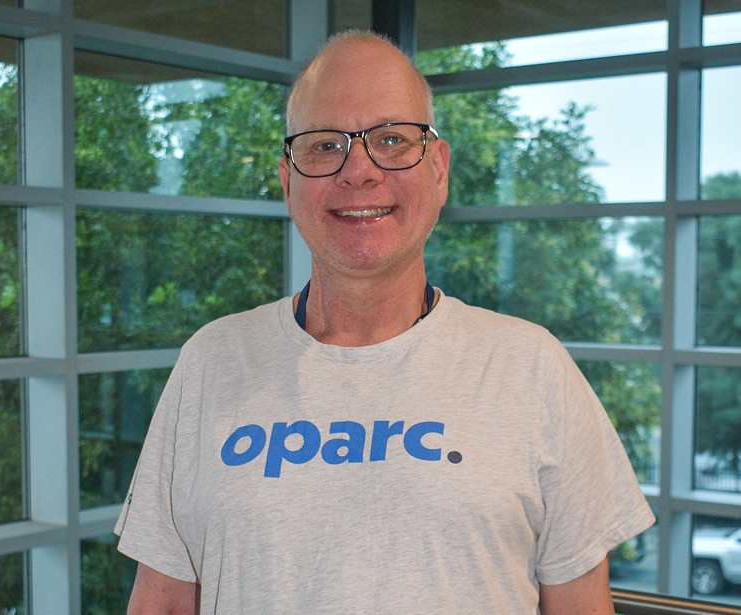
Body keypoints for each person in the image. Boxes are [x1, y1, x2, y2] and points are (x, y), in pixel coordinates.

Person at [116, 31, 655, 614]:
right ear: (288, 181)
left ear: (439, 169)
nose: (358, 171)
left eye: (392, 139)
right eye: (325, 146)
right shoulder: (213, 362)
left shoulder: (532, 368)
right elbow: (160, 604)